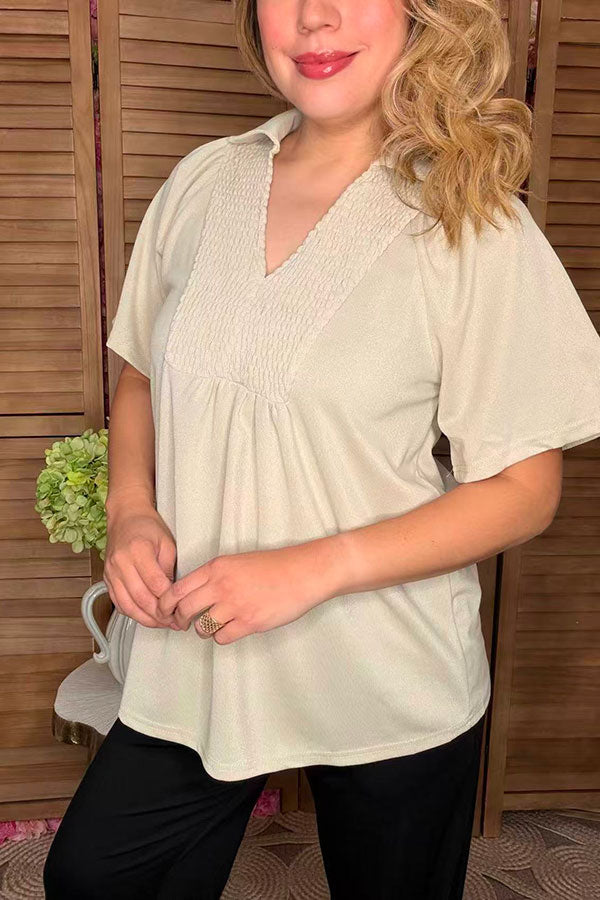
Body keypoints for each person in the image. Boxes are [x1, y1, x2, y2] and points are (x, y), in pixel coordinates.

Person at [44, 0, 600, 897]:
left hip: (388, 669)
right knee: (95, 878)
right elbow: (142, 370)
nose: (315, 17)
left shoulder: (472, 220)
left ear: (419, 14)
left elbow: (525, 490)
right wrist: (131, 508)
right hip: (196, 651)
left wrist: (311, 569)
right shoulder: (205, 181)